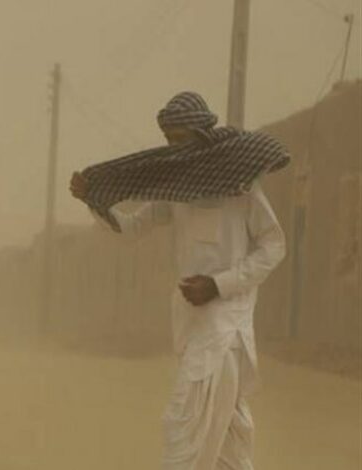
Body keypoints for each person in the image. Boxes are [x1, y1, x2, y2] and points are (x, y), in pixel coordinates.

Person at [70, 91, 287, 469]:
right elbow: (132, 228)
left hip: (225, 329)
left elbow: (274, 245)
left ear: (202, 135)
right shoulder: (177, 189)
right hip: (191, 325)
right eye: (168, 140)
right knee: (226, 443)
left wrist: (219, 284)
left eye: (180, 140)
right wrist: (95, 201)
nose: (173, 149)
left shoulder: (242, 186)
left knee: (186, 428)